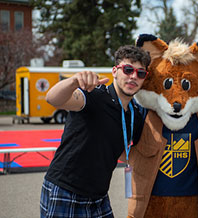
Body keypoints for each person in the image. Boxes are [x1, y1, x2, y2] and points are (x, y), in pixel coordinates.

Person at [40, 45, 151, 218]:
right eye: (128, 70)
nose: (133, 77)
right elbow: (53, 99)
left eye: (140, 73)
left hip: (99, 196)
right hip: (66, 189)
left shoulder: (135, 116)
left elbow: (123, 152)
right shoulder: (94, 95)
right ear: (115, 71)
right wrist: (74, 81)